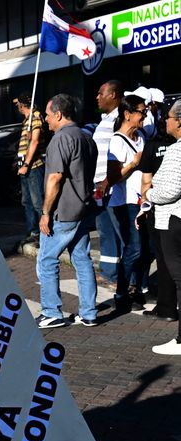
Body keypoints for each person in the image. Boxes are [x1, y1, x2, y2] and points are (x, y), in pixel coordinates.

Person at [36, 94, 99, 328]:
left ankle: (51, 311)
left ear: (59, 114)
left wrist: (45, 213)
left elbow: (55, 177)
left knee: (47, 260)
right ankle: (89, 312)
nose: (45, 120)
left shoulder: (60, 139)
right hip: (83, 207)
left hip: (62, 211)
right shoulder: (86, 137)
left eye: (48, 115)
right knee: (82, 259)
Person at [144, 100, 181, 354]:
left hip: (173, 219)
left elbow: (170, 189)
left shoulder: (177, 150)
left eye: (168, 117)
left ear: (179, 121)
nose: (165, 121)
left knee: (179, 277)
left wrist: (149, 192)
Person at [106, 94, 147, 312]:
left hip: (143, 201)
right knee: (135, 248)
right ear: (128, 114)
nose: (144, 116)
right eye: (141, 111)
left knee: (143, 248)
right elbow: (114, 177)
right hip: (126, 202)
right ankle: (122, 292)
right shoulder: (117, 140)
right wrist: (134, 163)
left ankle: (136, 289)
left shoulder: (140, 136)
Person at [139, 103, 177, 321]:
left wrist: (146, 201)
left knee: (164, 260)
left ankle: (166, 307)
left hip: (161, 210)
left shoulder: (153, 146)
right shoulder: (176, 145)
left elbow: (146, 181)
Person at [92, 80, 124, 288]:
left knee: (121, 231)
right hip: (99, 185)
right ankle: (108, 273)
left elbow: (122, 155)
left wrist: (107, 181)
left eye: (100, 93)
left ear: (112, 95)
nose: (97, 97)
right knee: (105, 231)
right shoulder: (106, 119)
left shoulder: (120, 119)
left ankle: (126, 277)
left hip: (111, 185)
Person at [13, 92, 48, 244]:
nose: (17, 107)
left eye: (17, 104)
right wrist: (19, 161)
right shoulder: (27, 120)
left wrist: (26, 164)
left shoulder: (35, 117)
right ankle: (33, 231)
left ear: (22, 105)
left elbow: (34, 142)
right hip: (25, 166)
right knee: (27, 201)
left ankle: (43, 233)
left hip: (33, 166)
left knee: (37, 201)